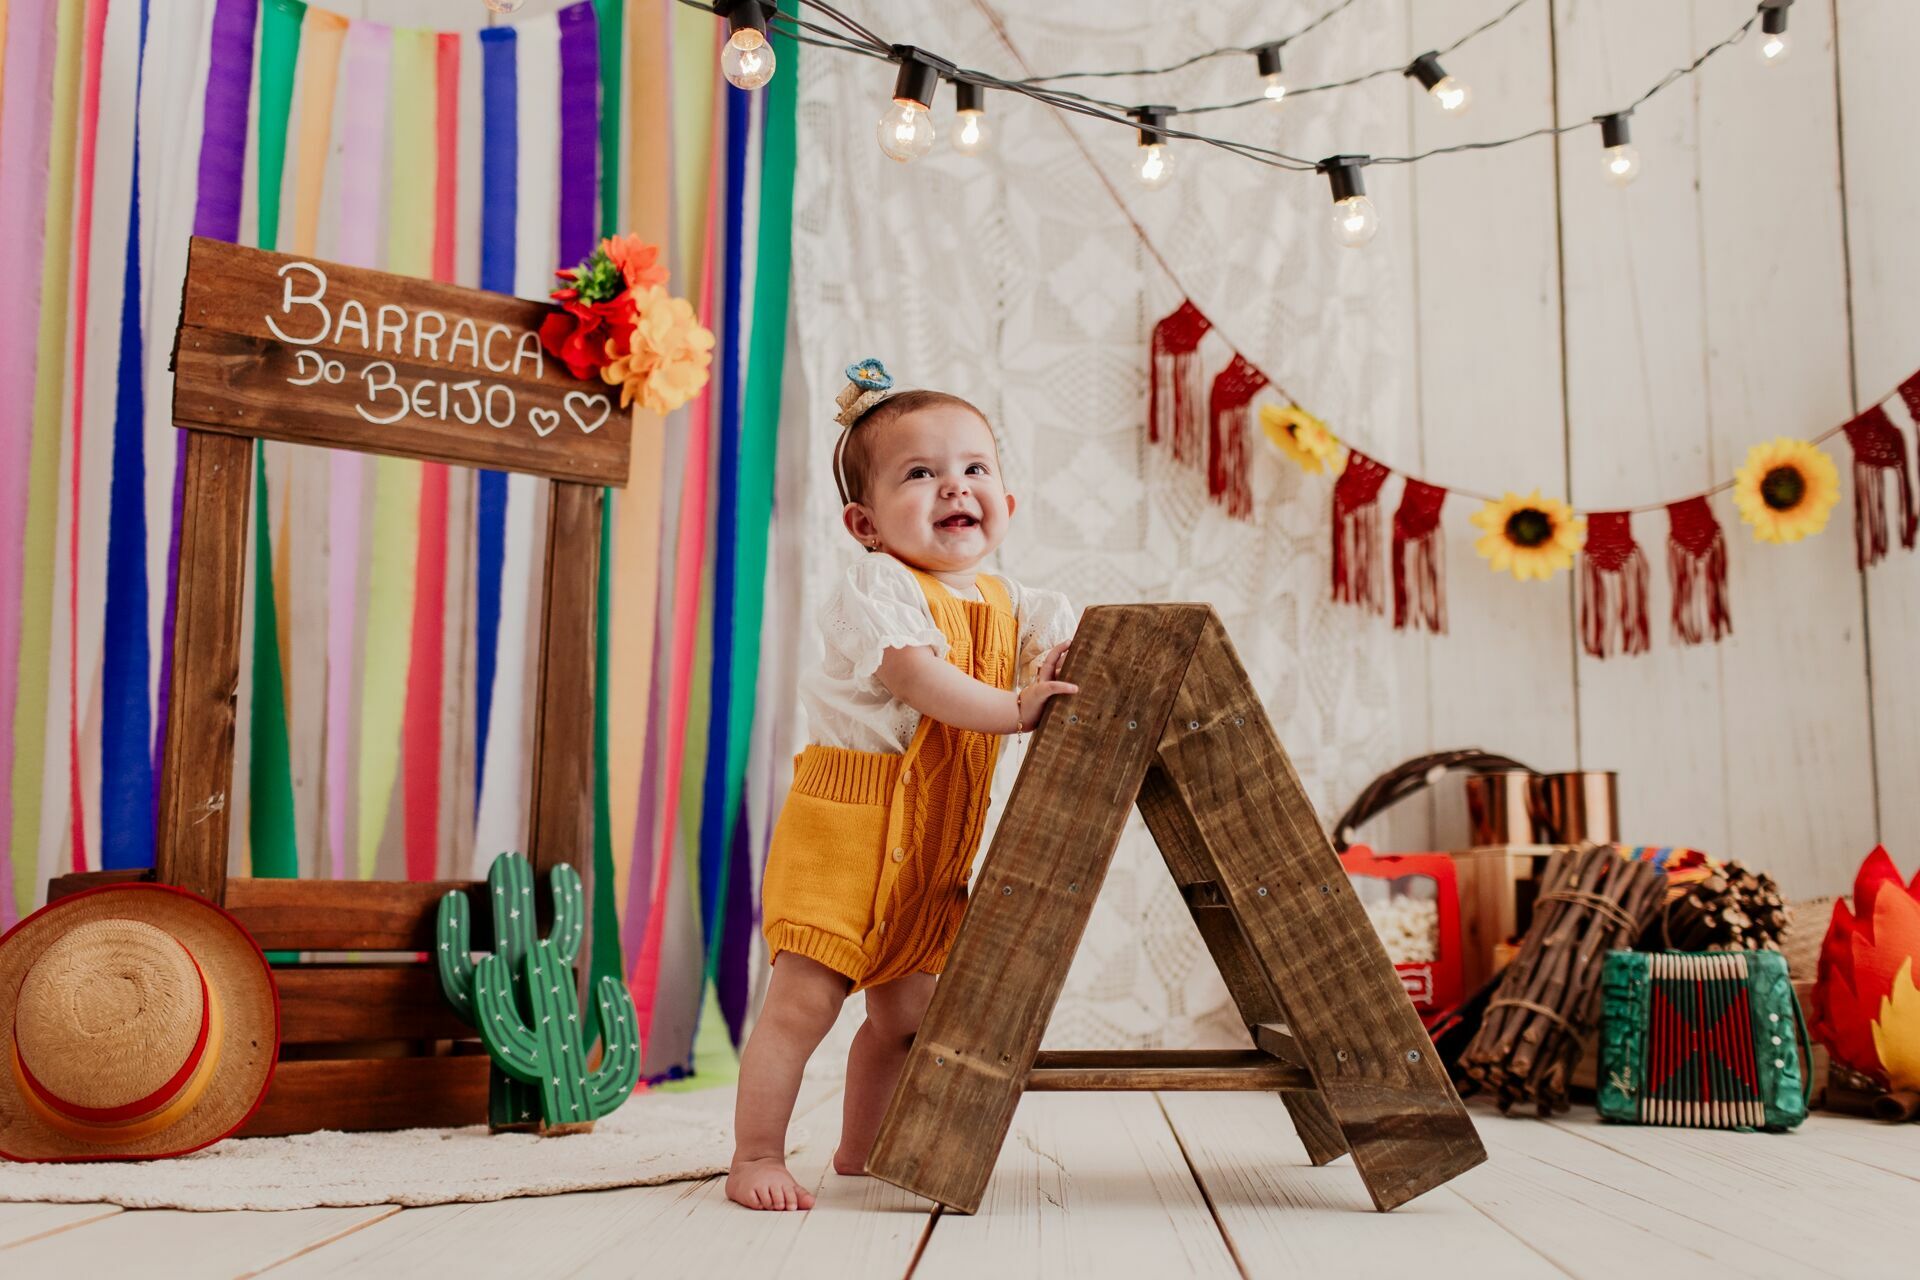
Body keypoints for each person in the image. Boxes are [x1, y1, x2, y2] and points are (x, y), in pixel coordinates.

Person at [727, 359, 1079, 1211]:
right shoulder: (881, 587)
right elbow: (922, 681)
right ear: (866, 522)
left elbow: (1055, 655)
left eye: (974, 469)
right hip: (847, 832)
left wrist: (1061, 665)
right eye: (919, 474)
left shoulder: (1016, 599)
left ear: (1007, 501)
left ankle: (863, 1146)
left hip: (932, 843)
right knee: (802, 1007)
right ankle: (755, 1155)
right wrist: (1019, 707)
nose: (953, 487)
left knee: (906, 1018)